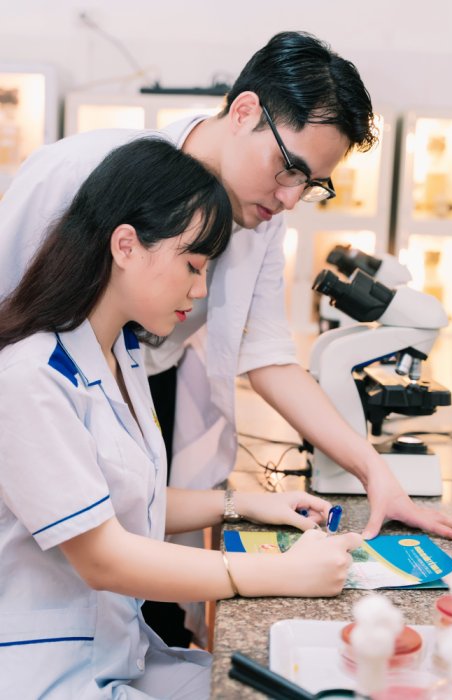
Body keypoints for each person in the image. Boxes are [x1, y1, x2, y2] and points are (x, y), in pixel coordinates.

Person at [0, 31, 452, 647]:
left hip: (132, 384)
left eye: (311, 184)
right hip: (33, 407)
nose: (291, 198)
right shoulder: (82, 172)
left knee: (144, 605)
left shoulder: (244, 233)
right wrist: (274, 573)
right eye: (289, 169)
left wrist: (372, 471)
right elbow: (16, 320)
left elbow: (265, 352)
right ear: (245, 111)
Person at [0, 137, 362, 700]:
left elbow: (121, 499)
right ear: (126, 245)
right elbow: (102, 556)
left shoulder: (119, 354)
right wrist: (279, 574)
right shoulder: (31, 377)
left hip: (116, 653)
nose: (200, 289)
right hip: (45, 673)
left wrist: (244, 504)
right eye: (192, 265)